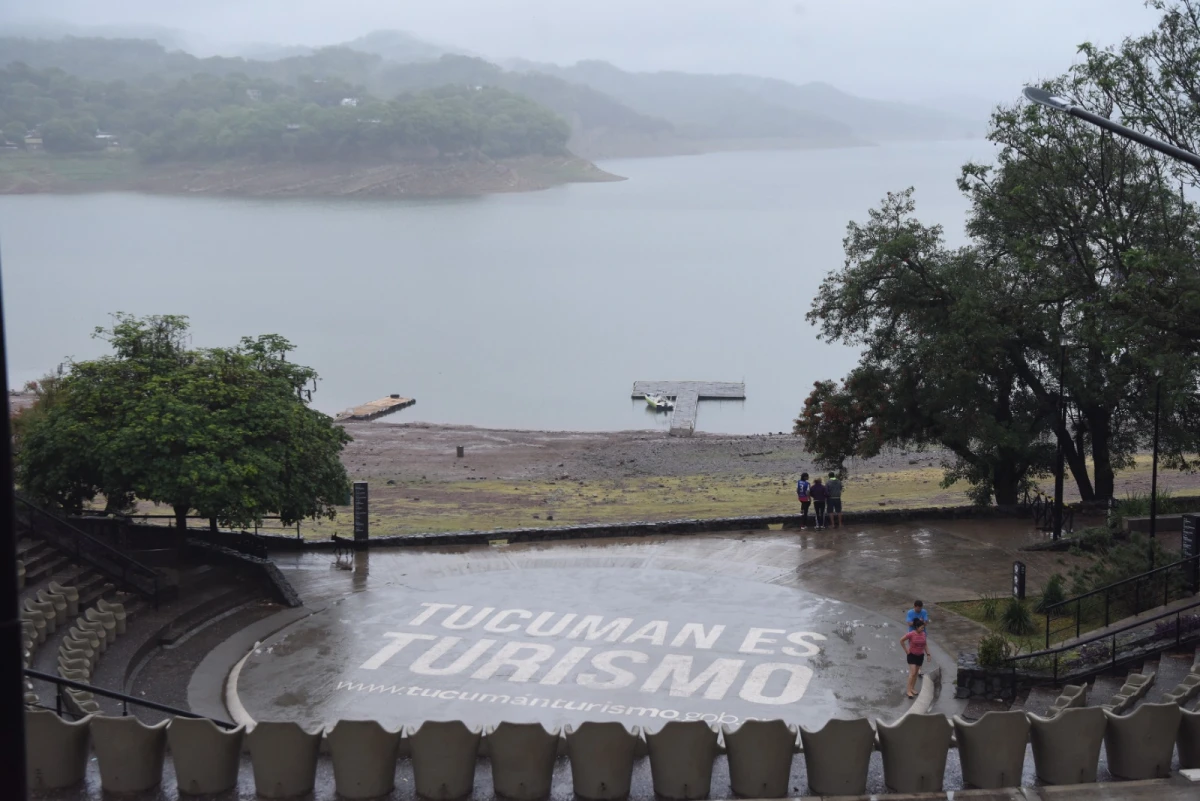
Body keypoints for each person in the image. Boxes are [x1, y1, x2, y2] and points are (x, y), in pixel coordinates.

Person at [900, 617, 927, 699]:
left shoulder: (923, 634)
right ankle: (908, 691)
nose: (923, 629)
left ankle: (912, 688)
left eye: (923, 628)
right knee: (912, 672)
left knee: (916, 673)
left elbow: (925, 644)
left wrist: (928, 654)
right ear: (917, 627)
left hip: (920, 655)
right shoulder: (911, 634)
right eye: (921, 627)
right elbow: (901, 640)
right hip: (912, 655)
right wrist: (906, 650)